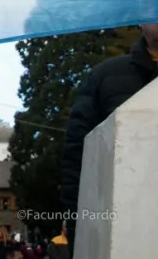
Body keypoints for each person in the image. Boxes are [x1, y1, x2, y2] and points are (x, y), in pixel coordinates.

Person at [59, 23, 158, 246]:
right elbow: (77, 158)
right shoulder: (103, 78)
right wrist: (79, 227)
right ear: (140, 18)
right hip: (124, 231)